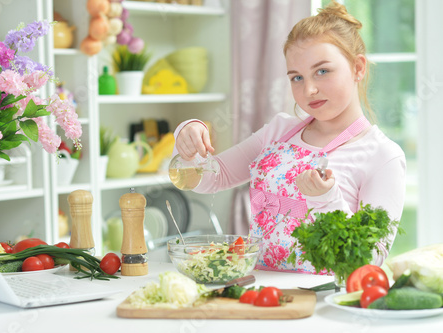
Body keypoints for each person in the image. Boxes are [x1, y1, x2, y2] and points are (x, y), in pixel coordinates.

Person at [172, 1, 407, 274]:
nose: (309, 90)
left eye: (322, 71)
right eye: (296, 78)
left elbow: (367, 261)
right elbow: (215, 177)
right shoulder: (279, 131)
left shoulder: (382, 157)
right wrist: (188, 134)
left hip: (322, 304)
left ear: (358, 68)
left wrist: (326, 198)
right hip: (261, 292)